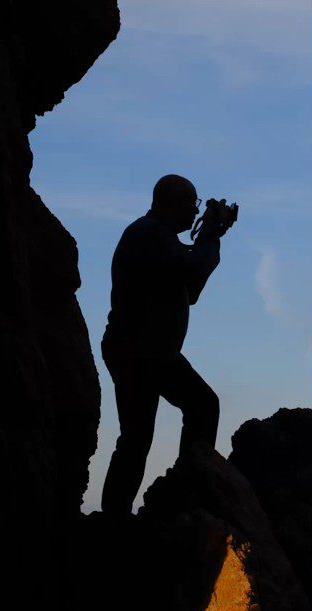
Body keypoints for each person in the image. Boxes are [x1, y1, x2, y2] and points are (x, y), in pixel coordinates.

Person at [99, 174, 232, 517]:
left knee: (136, 437)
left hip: (143, 349)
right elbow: (193, 272)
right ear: (171, 203)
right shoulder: (150, 233)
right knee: (201, 407)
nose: (194, 211)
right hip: (143, 350)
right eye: (192, 203)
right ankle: (188, 490)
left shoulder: (156, 237)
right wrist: (210, 237)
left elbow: (192, 290)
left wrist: (207, 239)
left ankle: (118, 515)